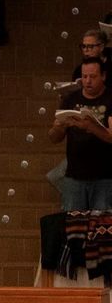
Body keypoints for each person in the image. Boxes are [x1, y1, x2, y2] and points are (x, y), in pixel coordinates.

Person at [47, 56, 112, 212]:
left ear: (103, 76)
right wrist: (59, 127)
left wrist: (90, 126)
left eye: (93, 76)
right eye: (84, 77)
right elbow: (54, 138)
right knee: (73, 228)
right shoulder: (71, 99)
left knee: (102, 230)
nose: (88, 81)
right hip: (74, 176)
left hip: (104, 176)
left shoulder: (110, 98)